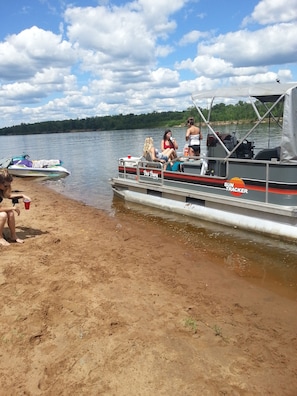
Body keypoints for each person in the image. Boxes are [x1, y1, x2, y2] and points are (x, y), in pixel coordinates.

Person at [0, 168, 31, 246]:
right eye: (5, 185)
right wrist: (13, 208)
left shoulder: (1, 189)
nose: (7, 187)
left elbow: (8, 195)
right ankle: (0, 238)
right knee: (3, 215)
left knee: (10, 213)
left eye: (8, 185)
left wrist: (22, 195)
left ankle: (13, 236)